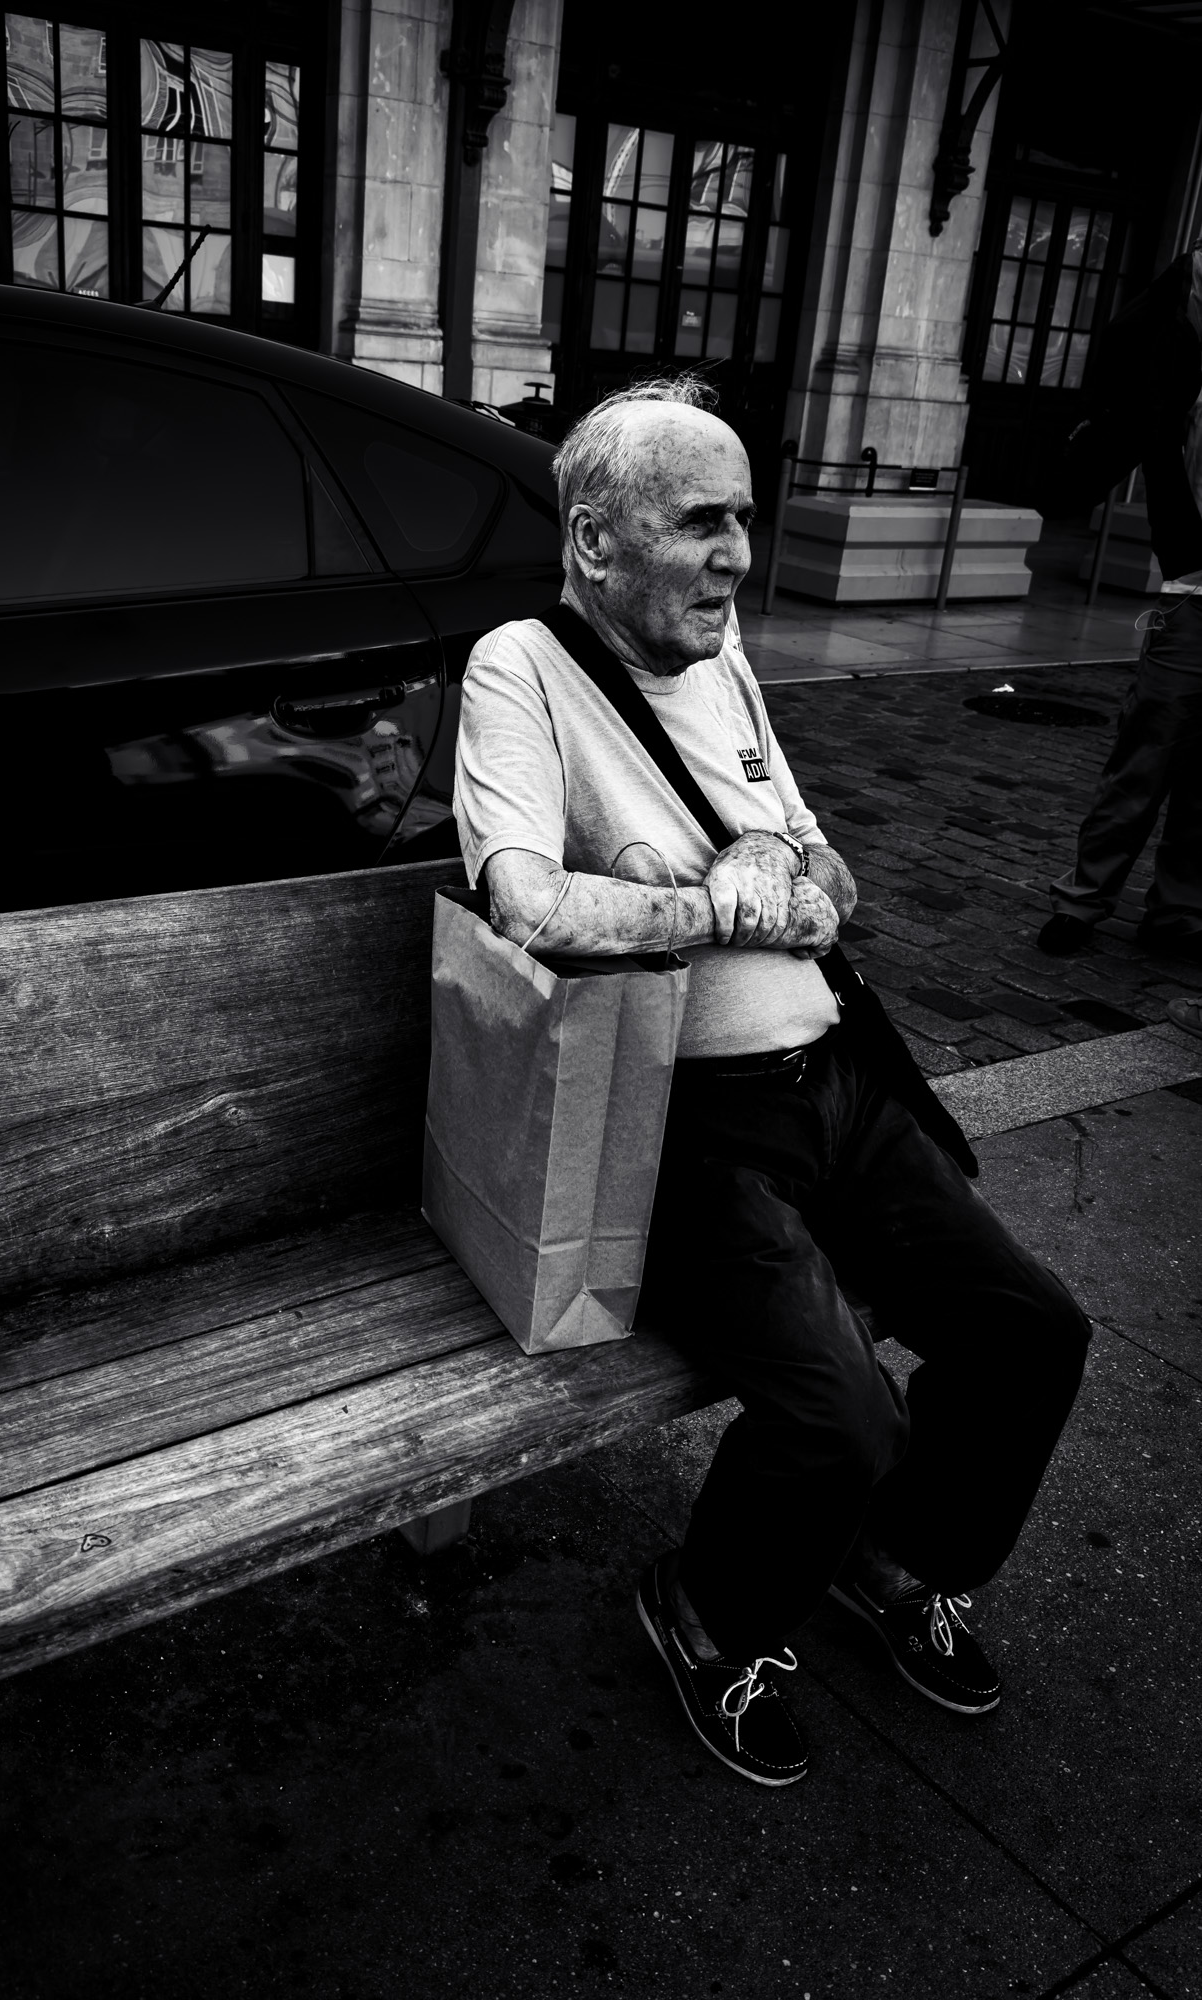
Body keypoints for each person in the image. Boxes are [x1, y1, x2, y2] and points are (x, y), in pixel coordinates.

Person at [453, 376, 1091, 1788]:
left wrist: (772, 870)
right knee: (844, 1411)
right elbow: (526, 905)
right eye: (700, 523)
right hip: (687, 1124)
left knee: (1033, 1331)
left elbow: (833, 877)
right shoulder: (522, 668)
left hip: (840, 1082)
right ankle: (704, 1613)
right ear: (596, 539)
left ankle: (898, 1558)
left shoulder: (731, 664)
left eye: (745, 517)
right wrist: (722, 898)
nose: (739, 554)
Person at [1040, 245, 1202, 964]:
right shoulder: (1161, 328)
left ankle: (1178, 914)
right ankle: (1084, 901)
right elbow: (1115, 421)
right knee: (1146, 758)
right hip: (1193, 592)